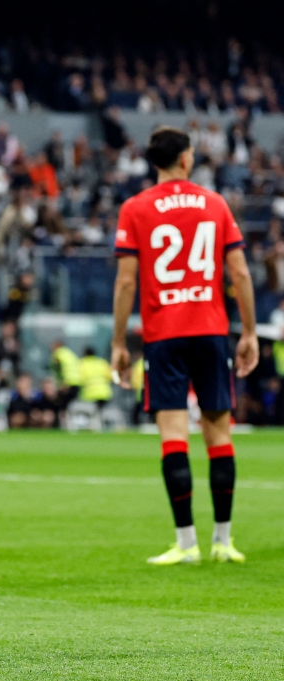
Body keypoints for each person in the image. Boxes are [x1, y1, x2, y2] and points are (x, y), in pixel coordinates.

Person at [111, 126, 258, 566]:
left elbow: (126, 282)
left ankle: (186, 543)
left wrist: (119, 343)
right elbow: (240, 272)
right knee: (219, 435)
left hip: (164, 335)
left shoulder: (135, 208)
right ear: (186, 159)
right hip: (210, 330)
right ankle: (223, 541)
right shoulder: (214, 203)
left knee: (174, 437)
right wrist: (249, 333)